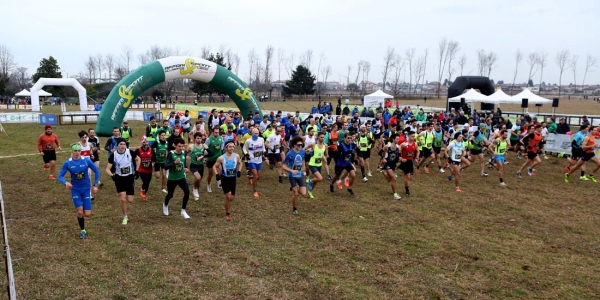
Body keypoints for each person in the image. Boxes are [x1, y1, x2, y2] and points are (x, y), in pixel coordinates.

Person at [57, 144, 100, 239]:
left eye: (78, 151)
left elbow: (97, 171)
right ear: (72, 152)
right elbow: (60, 176)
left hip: (86, 190)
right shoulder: (68, 163)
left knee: (87, 214)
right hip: (75, 190)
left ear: (81, 151)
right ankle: (83, 230)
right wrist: (66, 183)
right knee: (80, 212)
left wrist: (95, 185)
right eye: (75, 151)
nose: (77, 153)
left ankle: (84, 206)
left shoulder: (86, 160)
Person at [105, 138, 137, 225]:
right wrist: (113, 176)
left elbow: (138, 159)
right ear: (117, 145)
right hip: (119, 178)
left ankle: (125, 194)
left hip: (129, 177)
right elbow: (107, 169)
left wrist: (137, 171)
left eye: (124, 144)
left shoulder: (130, 152)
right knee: (123, 200)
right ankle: (125, 216)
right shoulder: (113, 155)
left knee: (130, 200)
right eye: (121, 144)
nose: (122, 146)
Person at [162, 138, 191, 219]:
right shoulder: (171, 154)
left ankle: (183, 210)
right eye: (179, 146)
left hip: (181, 177)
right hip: (172, 178)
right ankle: (165, 204)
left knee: (187, 192)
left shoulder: (183, 154)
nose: (181, 148)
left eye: (182, 146)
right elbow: (165, 166)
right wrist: (174, 162)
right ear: (175, 146)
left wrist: (186, 168)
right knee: (170, 195)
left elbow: (184, 164)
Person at [213, 141, 242, 220]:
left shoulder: (236, 156)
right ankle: (228, 213)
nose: (231, 148)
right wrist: (217, 175)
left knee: (231, 197)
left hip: (233, 178)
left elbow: (240, 163)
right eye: (230, 147)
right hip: (225, 178)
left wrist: (239, 171)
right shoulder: (221, 158)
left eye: (233, 147)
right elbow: (214, 166)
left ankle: (227, 201)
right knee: (228, 196)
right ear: (226, 148)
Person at [283, 136, 308, 215]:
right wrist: (291, 170)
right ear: (294, 145)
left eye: (301, 145)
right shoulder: (290, 154)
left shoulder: (303, 152)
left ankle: (295, 187)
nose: (300, 146)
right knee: (296, 193)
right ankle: (294, 208)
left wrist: (303, 170)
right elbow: (284, 166)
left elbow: (303, 160)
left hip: (300, 175)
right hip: (292, 176)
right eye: (298, 145)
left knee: (303, 193)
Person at [304, 132, 328, 199]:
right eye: (321, 137)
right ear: (317, 137)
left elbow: (321, 153)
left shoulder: (324, 146)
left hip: (319, 165)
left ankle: (309, 192)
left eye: (323, 137)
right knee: (320, 178)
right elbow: (304, 149)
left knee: (317, 180)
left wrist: (324, 158)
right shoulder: (313, 145)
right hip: (312, 164)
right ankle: (310, 181)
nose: (322, 139)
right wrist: (301, 153)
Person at [243, 128, 265, 198]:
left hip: (259, 160)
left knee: (258, 177)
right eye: (255, 133)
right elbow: (244, 148)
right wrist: (246, 154)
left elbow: (263, 148)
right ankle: (255, 190)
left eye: (257, 133)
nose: (256, 135)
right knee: (255, 176)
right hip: (251, 160)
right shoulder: (248, 141)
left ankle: (250, 176)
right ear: (252, 133)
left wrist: (264, 152)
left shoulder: (261, 139)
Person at [380, 135, 402, 200]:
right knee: (394, 179)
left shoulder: (398, 147)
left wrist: (399, 159)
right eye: (397, 139)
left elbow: (397, 156)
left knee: (389, 180)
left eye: (399, 139)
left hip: (393, 164)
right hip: (387, 164)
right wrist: (383, 158)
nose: (398, 140)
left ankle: (382, 171)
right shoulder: (387, 146)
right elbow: (381, 152)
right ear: (393, 139)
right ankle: (395, 194)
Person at [135, 136, 155, 201]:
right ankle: (142, 192)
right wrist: (136, 169)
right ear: (142, 143)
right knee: (145, 181)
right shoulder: (138, 150)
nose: (145, 143)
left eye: (146, 142)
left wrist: (152, 164)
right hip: (141, 169)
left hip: (149, 169)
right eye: (144, 142)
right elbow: (134, 159)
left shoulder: (151, 150)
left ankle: (144, 193)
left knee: (147, 183)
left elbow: (154, 159)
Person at [187, 132, 206, 201]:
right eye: (197, 138)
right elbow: (184, 153)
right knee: (198, 178)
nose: (199, 140)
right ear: (195, 139)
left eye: (200, 138)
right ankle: (195, 190)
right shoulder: (191, 146)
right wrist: (186, 156)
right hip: (193, 166)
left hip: (201, 166)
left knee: (199, 180)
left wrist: (202, 156)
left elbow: (210, 153)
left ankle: (196, 188)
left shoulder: (204, 146)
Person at [205, 127, 223, 192]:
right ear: (213, 132)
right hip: (211, 159)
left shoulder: (221, 138)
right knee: (210, 174)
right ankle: (208, 184)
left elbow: (221, 147)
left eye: (218, 132)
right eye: (215, 132)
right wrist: (207, 154)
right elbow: (205, 147)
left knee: (220, 172)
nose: (217, 133)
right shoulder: (209, 139)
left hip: (218, 159)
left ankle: (218, 181)